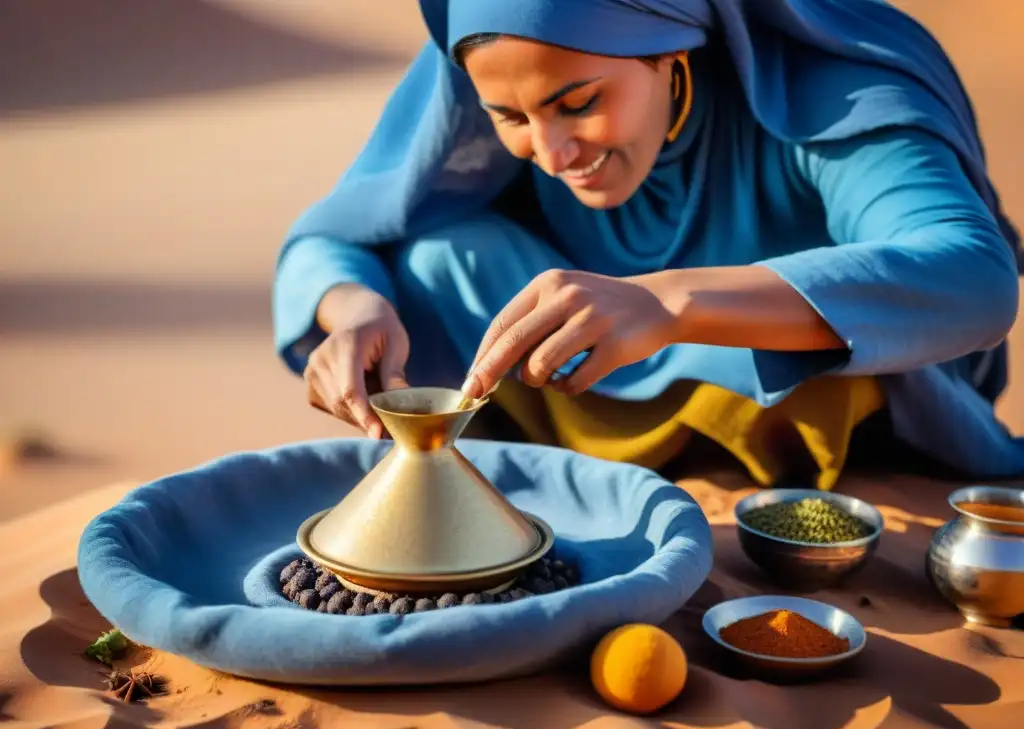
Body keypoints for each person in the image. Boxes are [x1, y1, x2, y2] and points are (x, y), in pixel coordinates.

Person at [272, 0, 1023, 491]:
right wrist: (352, 311)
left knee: (825, 366)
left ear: (672, 49)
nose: (553, 151)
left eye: (579, 104)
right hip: (577, 391)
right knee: (435, 260)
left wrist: (668, 304)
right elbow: (337, 236)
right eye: (511, 117)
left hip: (780, 409)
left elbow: (976, 276)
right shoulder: (508, 88)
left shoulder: (828, 93)